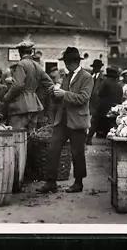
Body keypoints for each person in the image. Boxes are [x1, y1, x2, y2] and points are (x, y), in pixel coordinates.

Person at [38, 47, 94, 194]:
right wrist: (55, 94)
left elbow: (83, 98)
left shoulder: (87, 77)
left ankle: (78, 182)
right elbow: (62, 98)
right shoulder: (68, 76)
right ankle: (51, 182)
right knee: (52, 148)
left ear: (73, 62)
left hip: (77, 121)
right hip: (62, 120)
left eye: (67, 62)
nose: (66, 65)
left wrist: (64, 93)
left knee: (77, 153)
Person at [1, 41, 54, 133]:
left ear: (19, 53)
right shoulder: (37, 65)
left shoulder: (21, 64)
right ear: (31, 52)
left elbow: (18, 85)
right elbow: (49, 84)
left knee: (16, 137)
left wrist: (7, 97)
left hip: (20, 107)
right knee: (31, 137)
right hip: (34, 105)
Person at [95, 66, 124, 136]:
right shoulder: (119, 86)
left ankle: (101, 133)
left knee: (101, 121)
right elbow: (120, 97)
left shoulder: (105, 84)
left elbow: (100, 94)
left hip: (104, 107)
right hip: (115, 107)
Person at [87, 59, 106, 144]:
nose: (95, 69)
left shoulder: (103, 79)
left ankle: (89, 138)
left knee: (93, 121)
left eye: (97, 67)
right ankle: (86, 137)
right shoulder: (89, 76)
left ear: (100, 68)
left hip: (96, 102)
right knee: (86, 120)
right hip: (87, 101)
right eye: (94, 67)